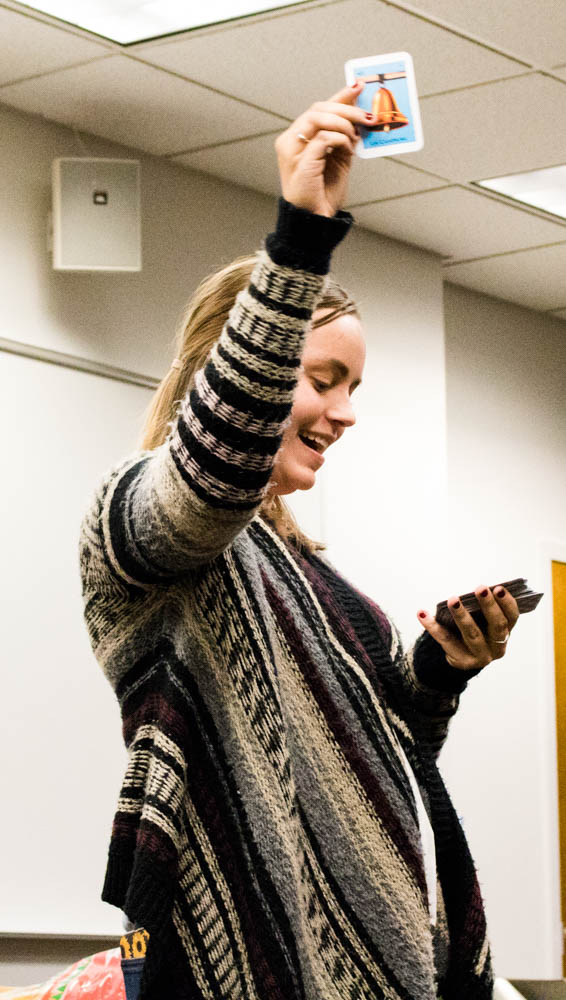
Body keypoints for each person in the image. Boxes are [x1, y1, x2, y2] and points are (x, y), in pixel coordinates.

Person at [80, 82, 519, 1000]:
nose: (347, 413)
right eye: (323, 379)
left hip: (374, 956)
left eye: (354, 386)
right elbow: (212, 474)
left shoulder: (316, 581)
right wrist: (299, 242)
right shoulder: (140, 518)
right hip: (240, 954)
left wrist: (438, 673)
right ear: (238, 368)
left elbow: (392, 759)